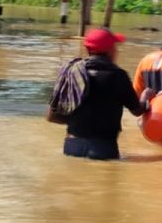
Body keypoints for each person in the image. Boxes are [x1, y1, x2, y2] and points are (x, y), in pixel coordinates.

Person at [47, 27, 147, 160]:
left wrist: (78, 121)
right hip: (104, 148)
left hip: (72, 146)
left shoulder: (71, 73)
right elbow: (137, 111)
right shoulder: (119, 76)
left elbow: (51, 116)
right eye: (115, 47)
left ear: (87, 50)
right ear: (110, 51)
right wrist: (146, 96)